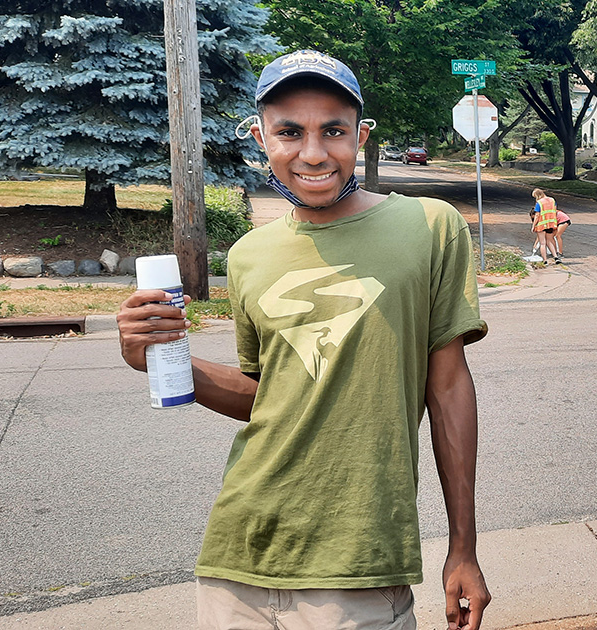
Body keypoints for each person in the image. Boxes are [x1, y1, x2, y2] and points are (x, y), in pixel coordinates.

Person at [115, 50, 491, 630]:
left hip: (359, 564)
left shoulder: (430, 226)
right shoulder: (247, 255)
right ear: (260, 137)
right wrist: (161, 358)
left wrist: (462, 547)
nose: (312, 153)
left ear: (361, 136)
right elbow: (264, 395)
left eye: (333, 131)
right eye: (289, 131)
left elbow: (447, 389)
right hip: (240, 553)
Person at [531, 188, 559, 263]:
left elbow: (537, 215)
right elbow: (555, 211)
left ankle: (545, 260)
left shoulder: (539, 203)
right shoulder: (552, 200)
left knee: (543, 243)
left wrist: (533, 226)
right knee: (549, 241)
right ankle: (556, 257)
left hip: (542, 224)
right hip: (551, 223)